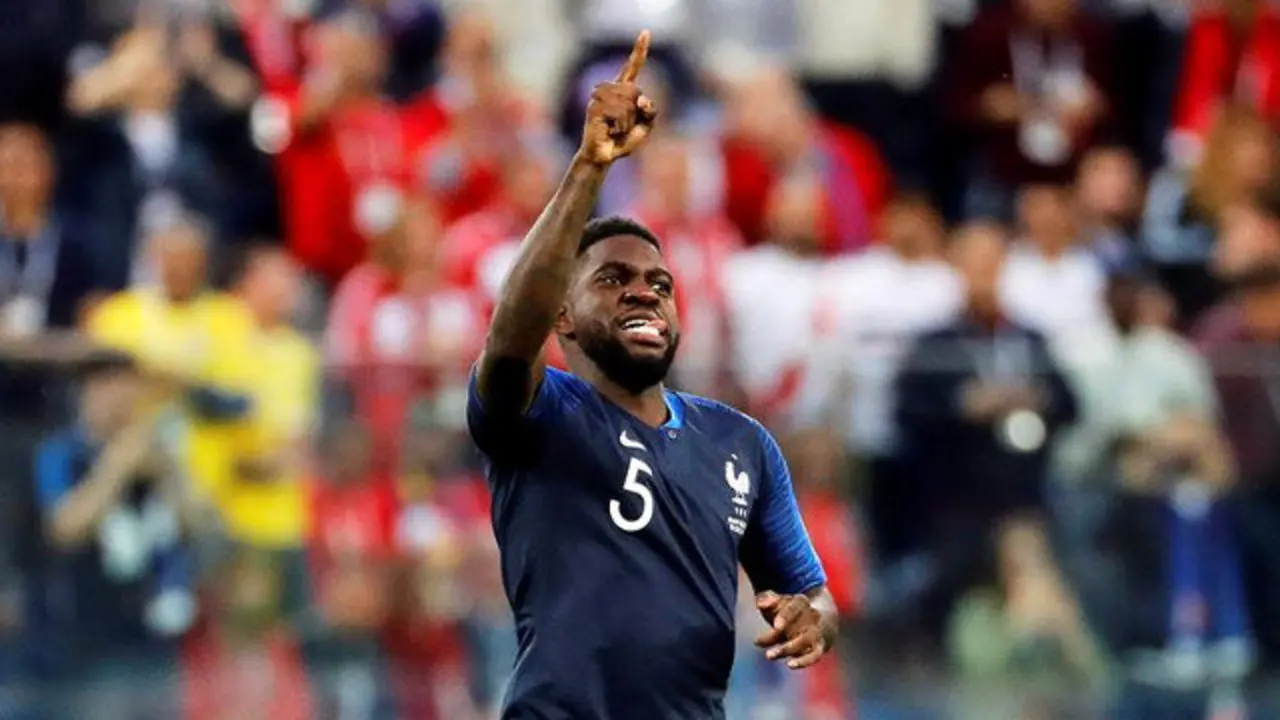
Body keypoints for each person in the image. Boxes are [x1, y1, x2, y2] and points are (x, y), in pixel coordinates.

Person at [466, 32, 836, 719]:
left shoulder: (742, 443)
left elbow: (810, 591)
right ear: (565, 318)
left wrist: (812, 618)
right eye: (613, 279)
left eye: (660, 283)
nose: (645, 292)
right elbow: (510, 334)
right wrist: (589, 166)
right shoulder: (542, 411)